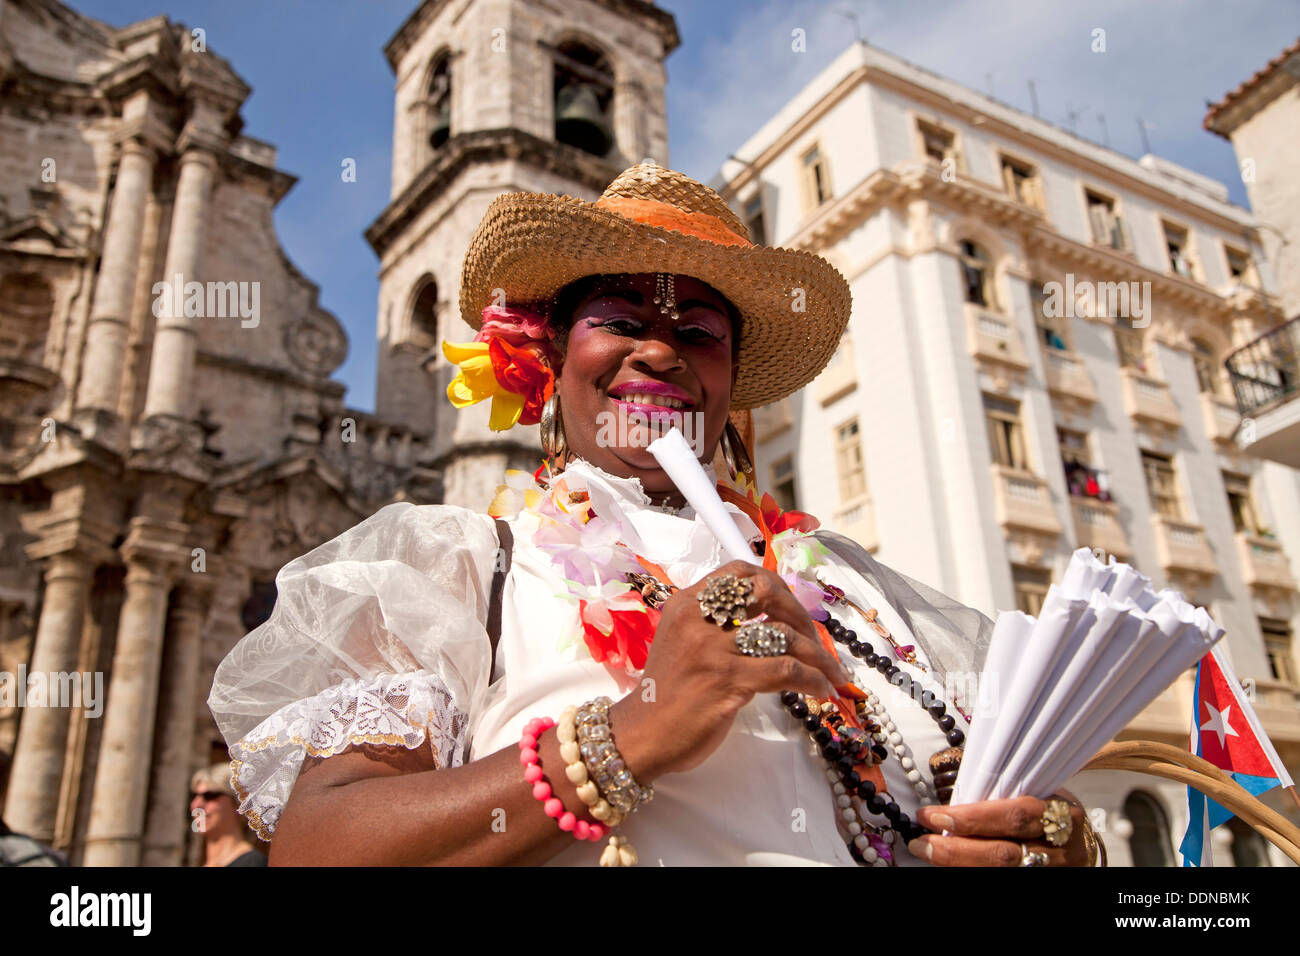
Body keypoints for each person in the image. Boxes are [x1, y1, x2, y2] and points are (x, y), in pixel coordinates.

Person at [208, 161, 1100, 867]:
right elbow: (322, 848)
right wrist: (637, 730)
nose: (658, 349)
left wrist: (1044, 845)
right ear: (551, 357)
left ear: (730, 380)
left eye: (700, 330)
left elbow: (1011, 813)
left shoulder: (854, 587)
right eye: (617, 315)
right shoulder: (462, 568)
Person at [190, 763, 266, 867]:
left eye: (209, 796)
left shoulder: (253, 863)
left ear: (238, 803)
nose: (196, 805)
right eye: (194, 796)